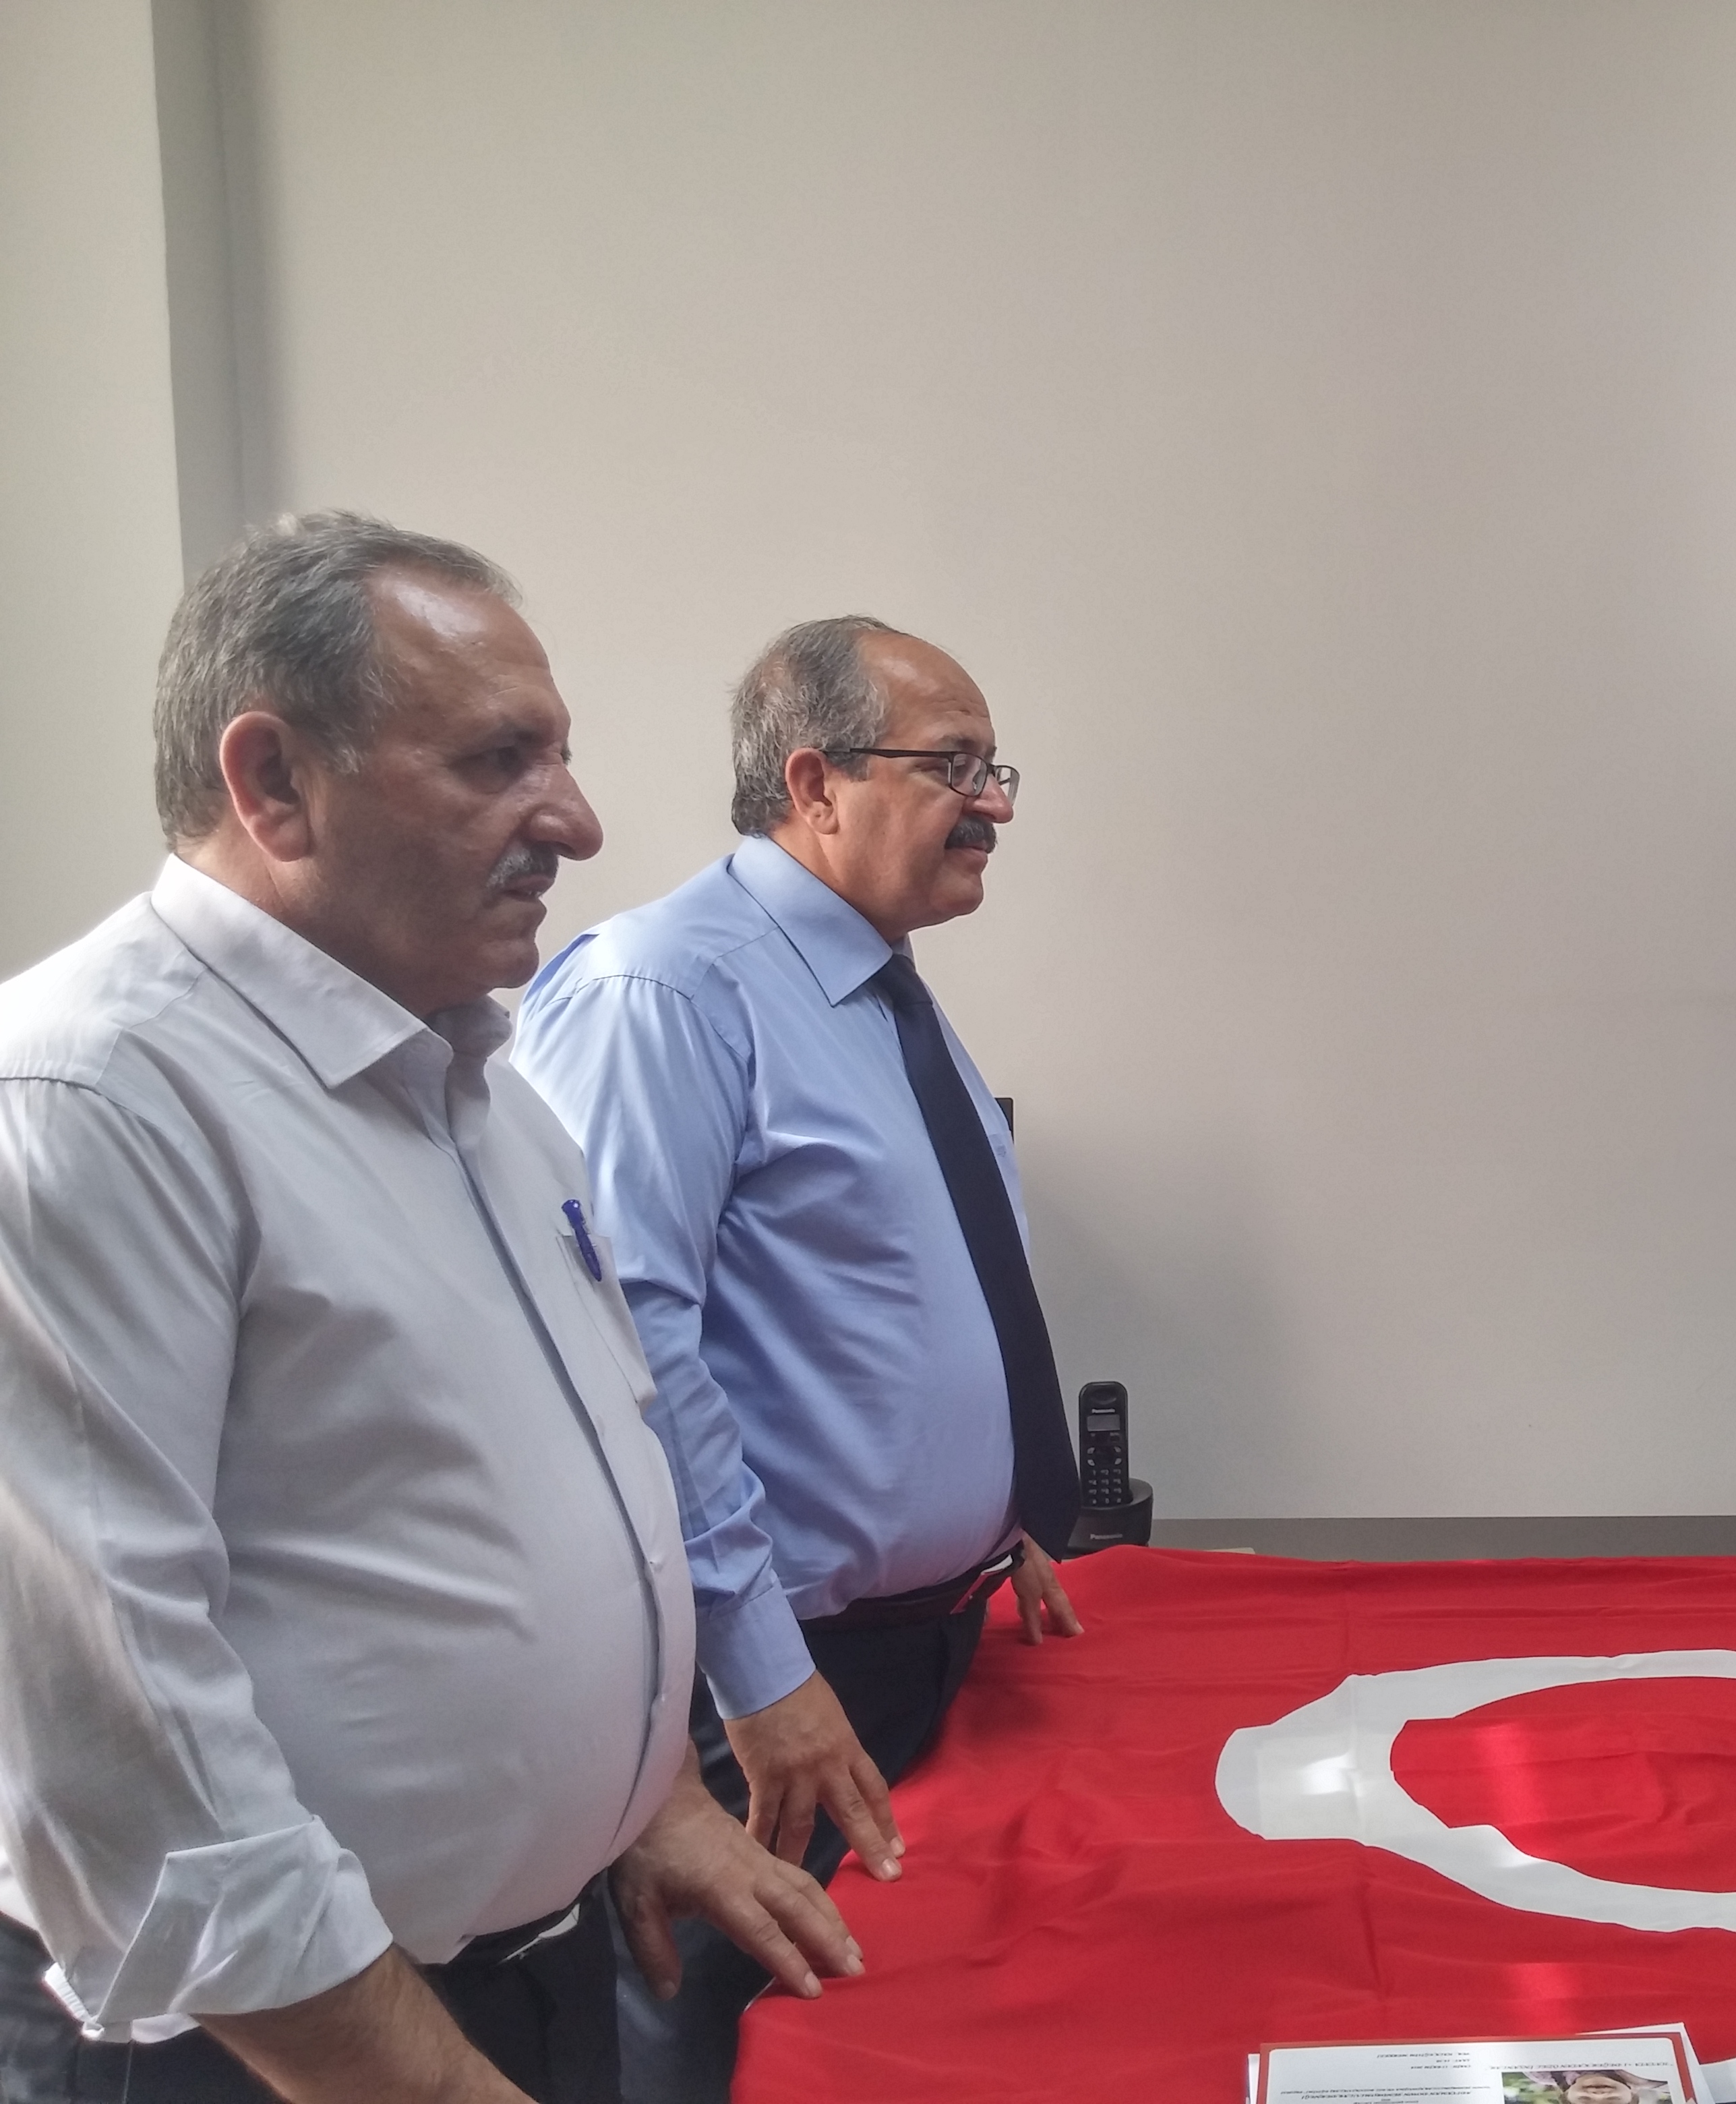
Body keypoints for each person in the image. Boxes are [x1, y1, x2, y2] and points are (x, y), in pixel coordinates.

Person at [0, 514, 860, 2104]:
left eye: (561, 756)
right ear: (272, 783)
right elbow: (121, 1741)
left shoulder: (477, 1083)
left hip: (531, 1960)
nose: (578, 821)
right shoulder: (93, 1100)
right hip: (275, 2043)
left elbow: (560, 1483)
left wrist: (650, 1799)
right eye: (497, 761)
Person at [514, 615, 1085, 2101]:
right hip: (767, 1689)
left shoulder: (874, 985)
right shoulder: (665, 991)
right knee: (727, 2043)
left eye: (997, 767)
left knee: (878, 2044)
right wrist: (762, 1678)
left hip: (924, 1643)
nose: (995, 804)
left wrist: (1001, 1504)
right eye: (954, 766)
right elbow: (626, 1350)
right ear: (815, 782)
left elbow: (892, 1299)